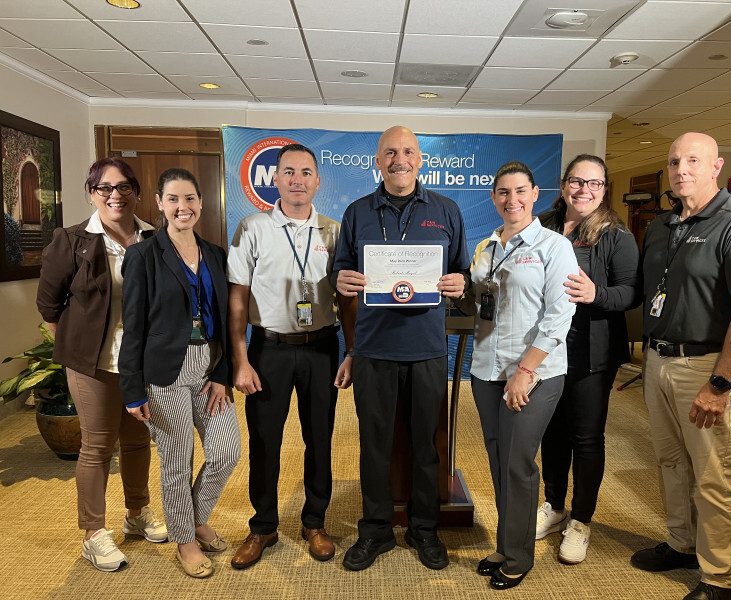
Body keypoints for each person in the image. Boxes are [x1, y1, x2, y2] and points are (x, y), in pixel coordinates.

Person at [631, 133, 731, 600]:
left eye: (693, 160)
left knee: (714, 475)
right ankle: (681, 542)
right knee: (671, 461)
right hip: (657, 360)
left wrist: (720, 384)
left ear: (717, 166)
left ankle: (719, 579)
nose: (681, 169)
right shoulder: (662, 225)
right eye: (674, 161)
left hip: (707, 366)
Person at [334, 126, 470, 572]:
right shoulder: (356, 213)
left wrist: (458, 283)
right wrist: (343, 279)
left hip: (428, 349)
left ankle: (423, 529)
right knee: (374, 445)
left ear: (420, 160)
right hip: (373, 349)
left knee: (425, 446)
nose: (399, 159)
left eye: (408, 151)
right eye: (390, 152)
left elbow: (461, 274)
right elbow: (340, 273)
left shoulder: (446, 210)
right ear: (377, 160)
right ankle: (375, 530)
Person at [36, 157, 167, 572]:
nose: (115, 195)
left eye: (124, 187)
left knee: (136, 439)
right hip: (92, 362)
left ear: (137, 192)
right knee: (96, 446)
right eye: (105, 188)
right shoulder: (72, 239)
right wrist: (80, 349)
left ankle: (136, 513)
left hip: (140, 363)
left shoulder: (155, 237)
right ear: (92, 193)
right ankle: (93, 533)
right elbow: (49, 305)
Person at [227, 144, 351, 569]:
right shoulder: (252, 227)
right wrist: (240, 360)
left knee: (320, 439)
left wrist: (350, 350)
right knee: (265, 441)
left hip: (320, 349)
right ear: (275, 179)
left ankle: (314, 522)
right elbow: (237, 301)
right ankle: (263, 526)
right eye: (289, 172)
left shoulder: (334, 231)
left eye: (306, 172)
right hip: (268, 350)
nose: (298, 179)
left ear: (318, 182)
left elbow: (348, 299)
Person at [459, 161, 577, 590]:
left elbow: (559, 315)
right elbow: (480, 304)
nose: (512, 200)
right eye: (503, 193)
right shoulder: (486, 246)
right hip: (487, 369)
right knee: (497, 458)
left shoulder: (552, 245)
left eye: (520, 191)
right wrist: (458, 291)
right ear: (493, 198)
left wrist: (526, 370)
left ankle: (520, 554)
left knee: (518, 461)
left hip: (534, 373)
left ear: (535, 194)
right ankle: (507, 543)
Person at [120, 168, 240, 579]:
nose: (182, 207)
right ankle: (186, 539)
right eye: (173, 199)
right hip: (164, 372)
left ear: (201, 203)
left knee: (226, 451)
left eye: (189, 198)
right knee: (176, 460)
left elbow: (224, 322)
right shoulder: (142, 256)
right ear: (159, 203)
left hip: (209, 367)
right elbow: (132, 326)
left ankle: (194, 516)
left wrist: (223, 372)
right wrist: (132, 391)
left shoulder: (216, 253)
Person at [537, 154, 641, 564]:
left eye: (594, 184)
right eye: (577, 182)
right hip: (546, 349)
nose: (585, 191)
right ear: (564, 185)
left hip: (590, 352)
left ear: (604, 189)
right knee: (552, 433)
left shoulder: (616, 234)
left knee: (586, 437)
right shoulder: (541, 224)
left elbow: (632, 291)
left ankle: (581, 521)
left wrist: (597, 294)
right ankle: (555, 505)